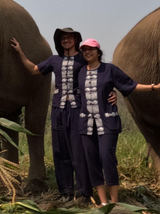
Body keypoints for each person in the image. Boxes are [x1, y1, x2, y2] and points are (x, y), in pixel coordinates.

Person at [11, 28, 116, 204]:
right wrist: (20, 52)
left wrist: (112, 90)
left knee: (79, 151)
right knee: (60, 151)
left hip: (78, 109)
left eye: (69, 37)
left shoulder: (84, 59)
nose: (66, 40)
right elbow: (34, 70)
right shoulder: (54, 60)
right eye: (63, 38)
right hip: (58, 109)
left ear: (76, 40)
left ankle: (84, 193)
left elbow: (100, 73)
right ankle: (65, 192)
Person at [78, 38, 160, 206]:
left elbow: (130, 85)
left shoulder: (110, 70)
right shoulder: (81, 72)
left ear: (98, 52)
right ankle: (103, 203)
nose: (87, 52)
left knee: (107, 158)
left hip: (107, 123)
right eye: (84, 49)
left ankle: (115, 202)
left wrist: (153, 87)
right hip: (87, 125)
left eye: (91, 49)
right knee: (92, 161)